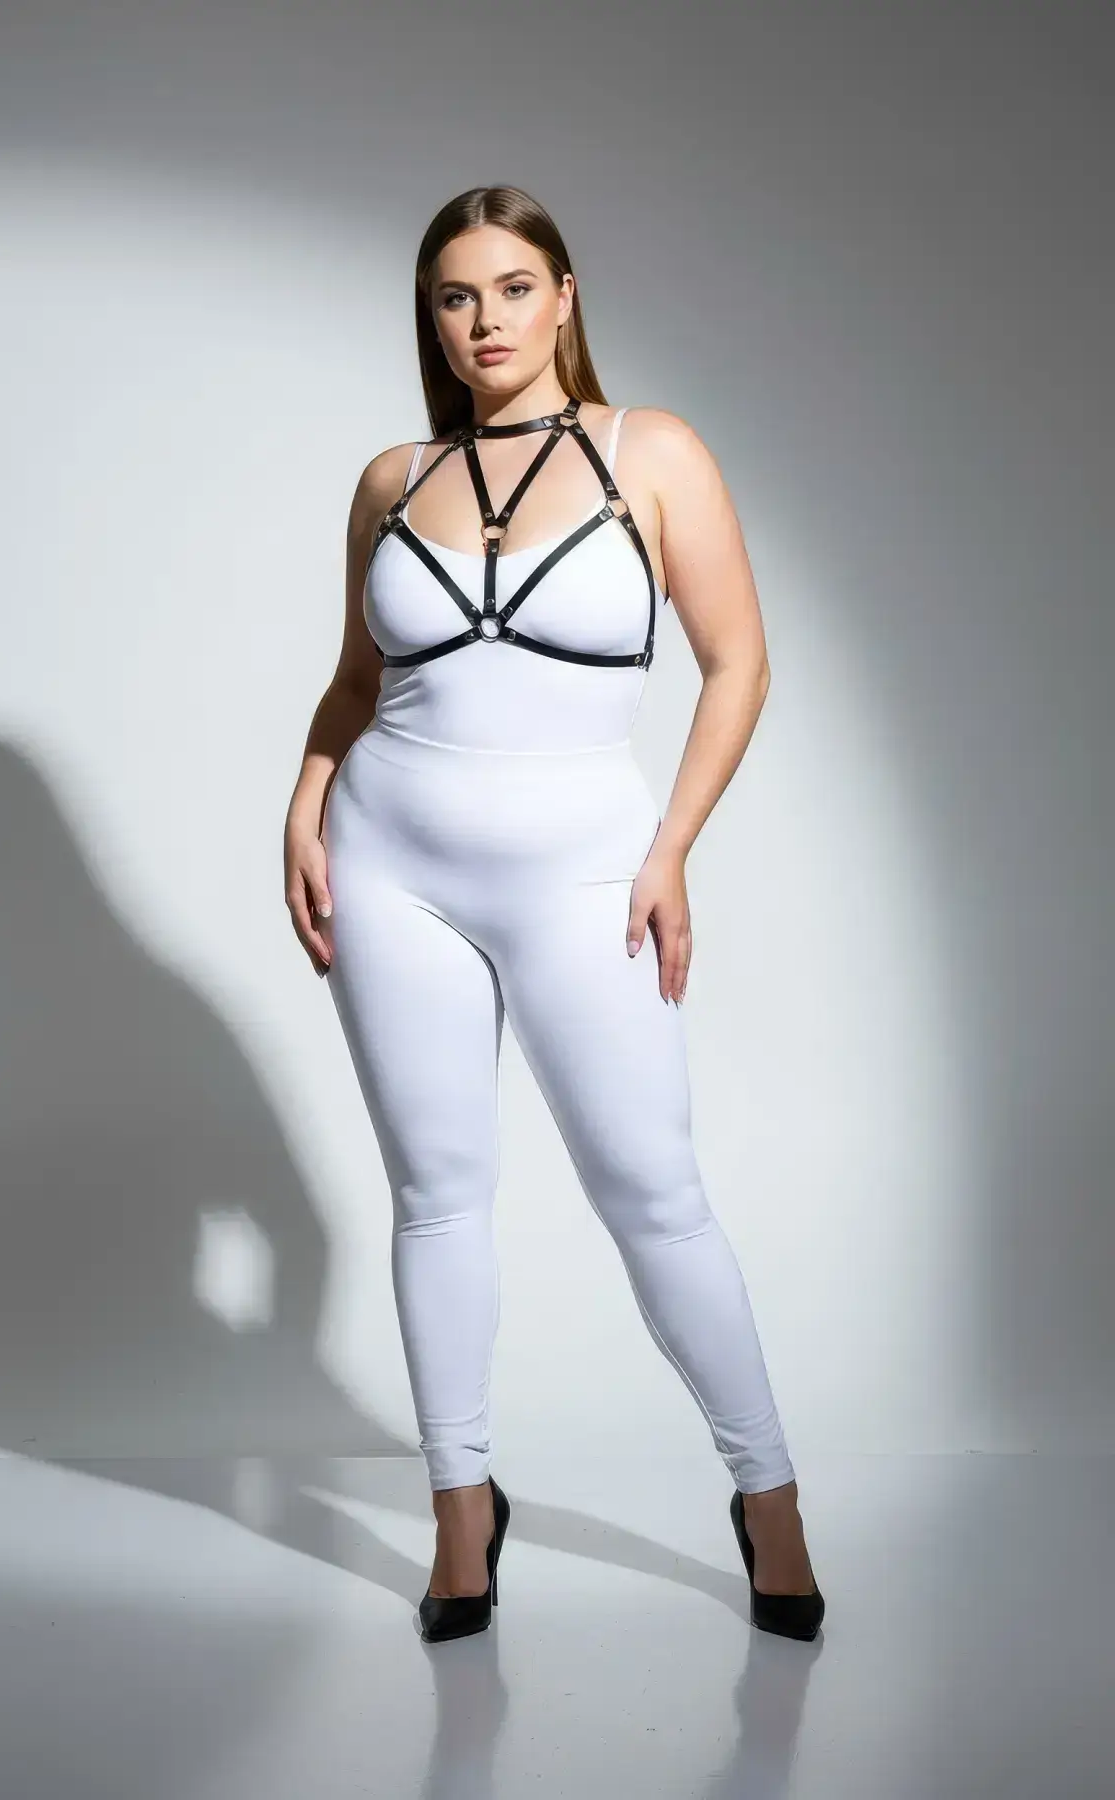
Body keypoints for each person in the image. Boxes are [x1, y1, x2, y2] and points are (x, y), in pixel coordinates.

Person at [283, 185, 824, 1645]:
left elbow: (739, 662)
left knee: (653, 1191)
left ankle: (769, 1497)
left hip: (586, 867)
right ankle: (462, 1508)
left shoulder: (654, 451)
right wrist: (305, 800)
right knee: (437, 1193)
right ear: (432, 318)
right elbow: (357, 680)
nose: (486, 322)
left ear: (566, 295)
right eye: (456, 297)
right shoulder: (391, 479)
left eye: (514, 288)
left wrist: (673, 848)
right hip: (388, 861)